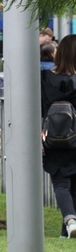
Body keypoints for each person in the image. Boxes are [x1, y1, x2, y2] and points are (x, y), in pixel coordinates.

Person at [43, 35, 76, 238]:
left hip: (54, 138)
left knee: (61, 183)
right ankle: (70, 223)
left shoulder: (46, 78)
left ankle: (69, 224)